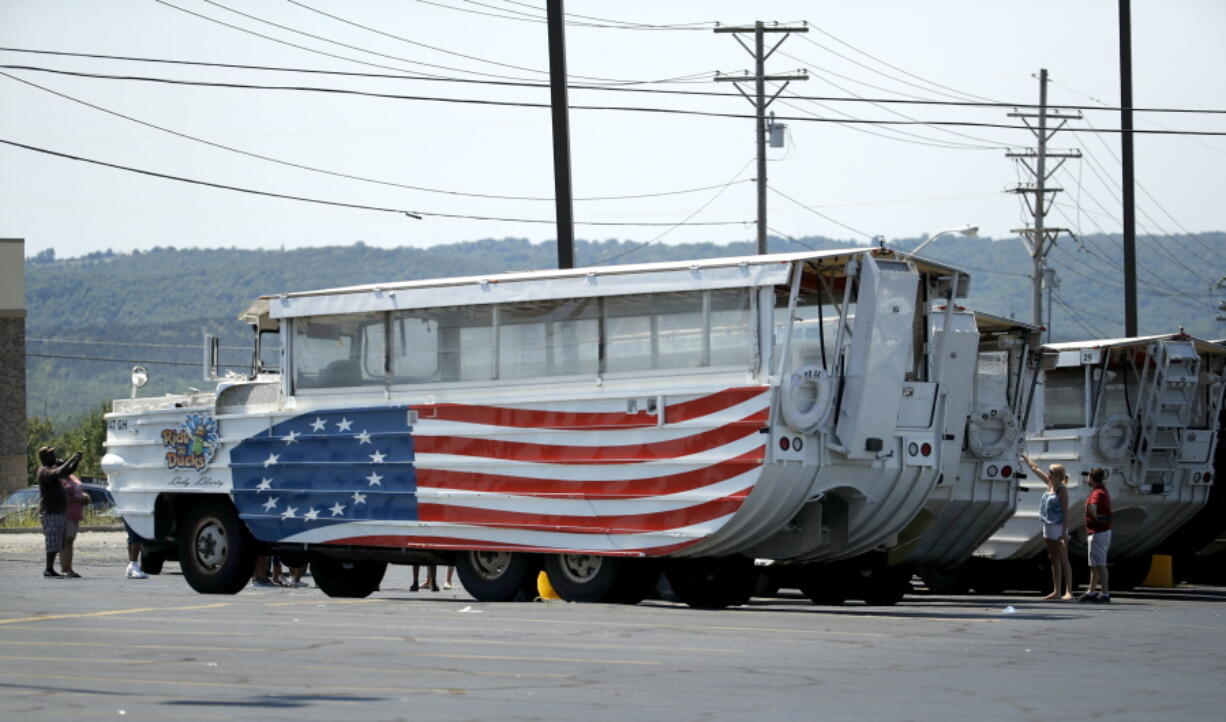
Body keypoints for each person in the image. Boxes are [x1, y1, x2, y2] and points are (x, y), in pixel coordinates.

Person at [1023, 455, 1074, 600]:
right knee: (1053, 558)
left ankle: (1069, 591)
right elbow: (1035, 468)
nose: (1048, 473)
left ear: (1057, 475)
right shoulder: (1050, 484)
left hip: (1058, 526)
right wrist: (1026, 458)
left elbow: (1065, 511)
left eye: (1050, 472)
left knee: (1064, 558)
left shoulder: (1061, 489)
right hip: (1048, 524)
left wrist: (1064, 532)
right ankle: (1056, 591)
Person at [35, 446, 82, 578]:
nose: (54, 456)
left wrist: (76, 461)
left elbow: (67, 472)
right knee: (52, 541)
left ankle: (51, 569)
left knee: (56, 541)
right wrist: (71, 458)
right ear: (45, 458)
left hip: (57, 511)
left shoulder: (51, 469)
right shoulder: (44, 471)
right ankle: (48, 569)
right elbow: (58, 472)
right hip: (50, 512)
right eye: (51, 454)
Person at [1078, 467, 1112, 604]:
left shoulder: (1097, 493)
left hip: (1098, 532)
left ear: (1091, 478)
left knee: (1100, 564)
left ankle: (1105, 593)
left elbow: (1092, 507)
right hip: (1101, 532)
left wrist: (1096, 518)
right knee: (1094, 564)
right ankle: (1091, 591)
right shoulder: (1103, 491)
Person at [60, 474, 90, 578]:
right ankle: (64, 568)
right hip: (65, 513)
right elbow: (61, 497)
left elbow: (78, 491)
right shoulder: (60, 479)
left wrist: (84, 497)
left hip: (76, 513)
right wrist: (77, 500)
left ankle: (69, 568)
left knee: (71, 541)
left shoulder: (73, 477)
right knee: (66, 541)